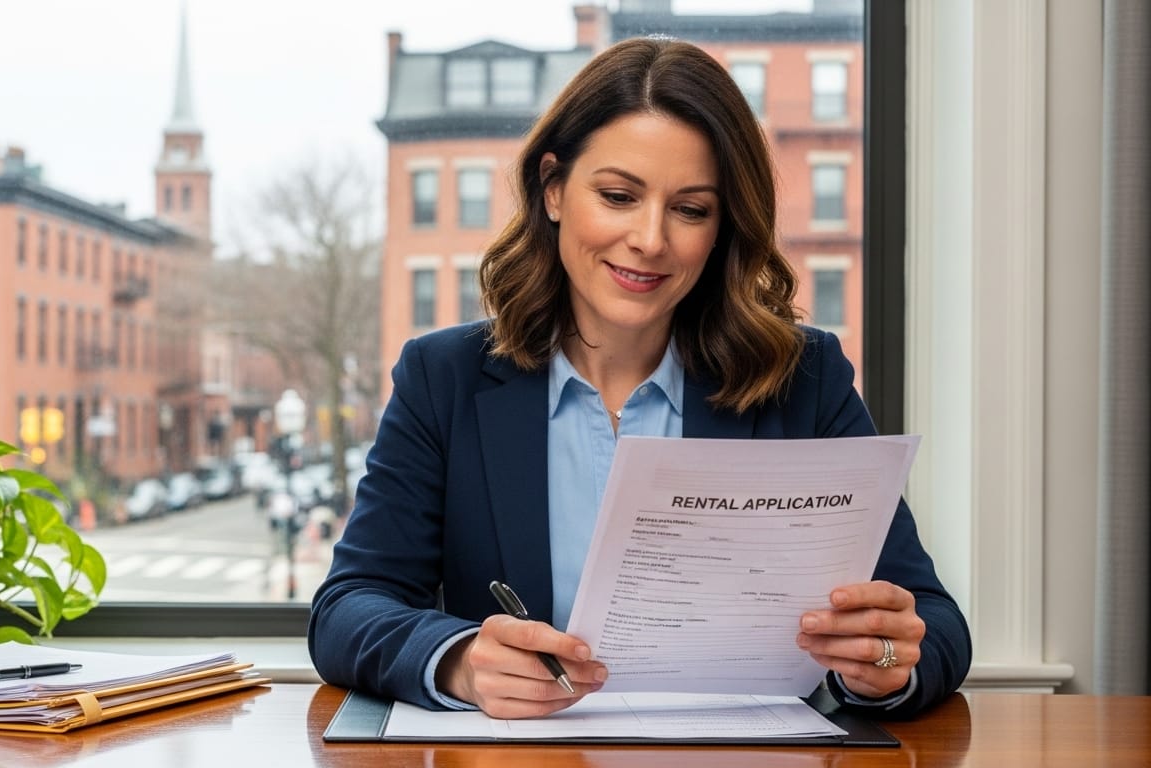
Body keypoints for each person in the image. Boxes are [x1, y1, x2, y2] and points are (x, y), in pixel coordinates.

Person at [308, 36, 970, 720]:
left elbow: (936, 624)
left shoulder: (803, 380)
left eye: (690, 209)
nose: (651, 239)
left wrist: (885, 664)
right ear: (554, 187)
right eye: (619, 195)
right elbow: (347, 608)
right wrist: (460, 660)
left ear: (722, 227)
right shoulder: (443, 378)